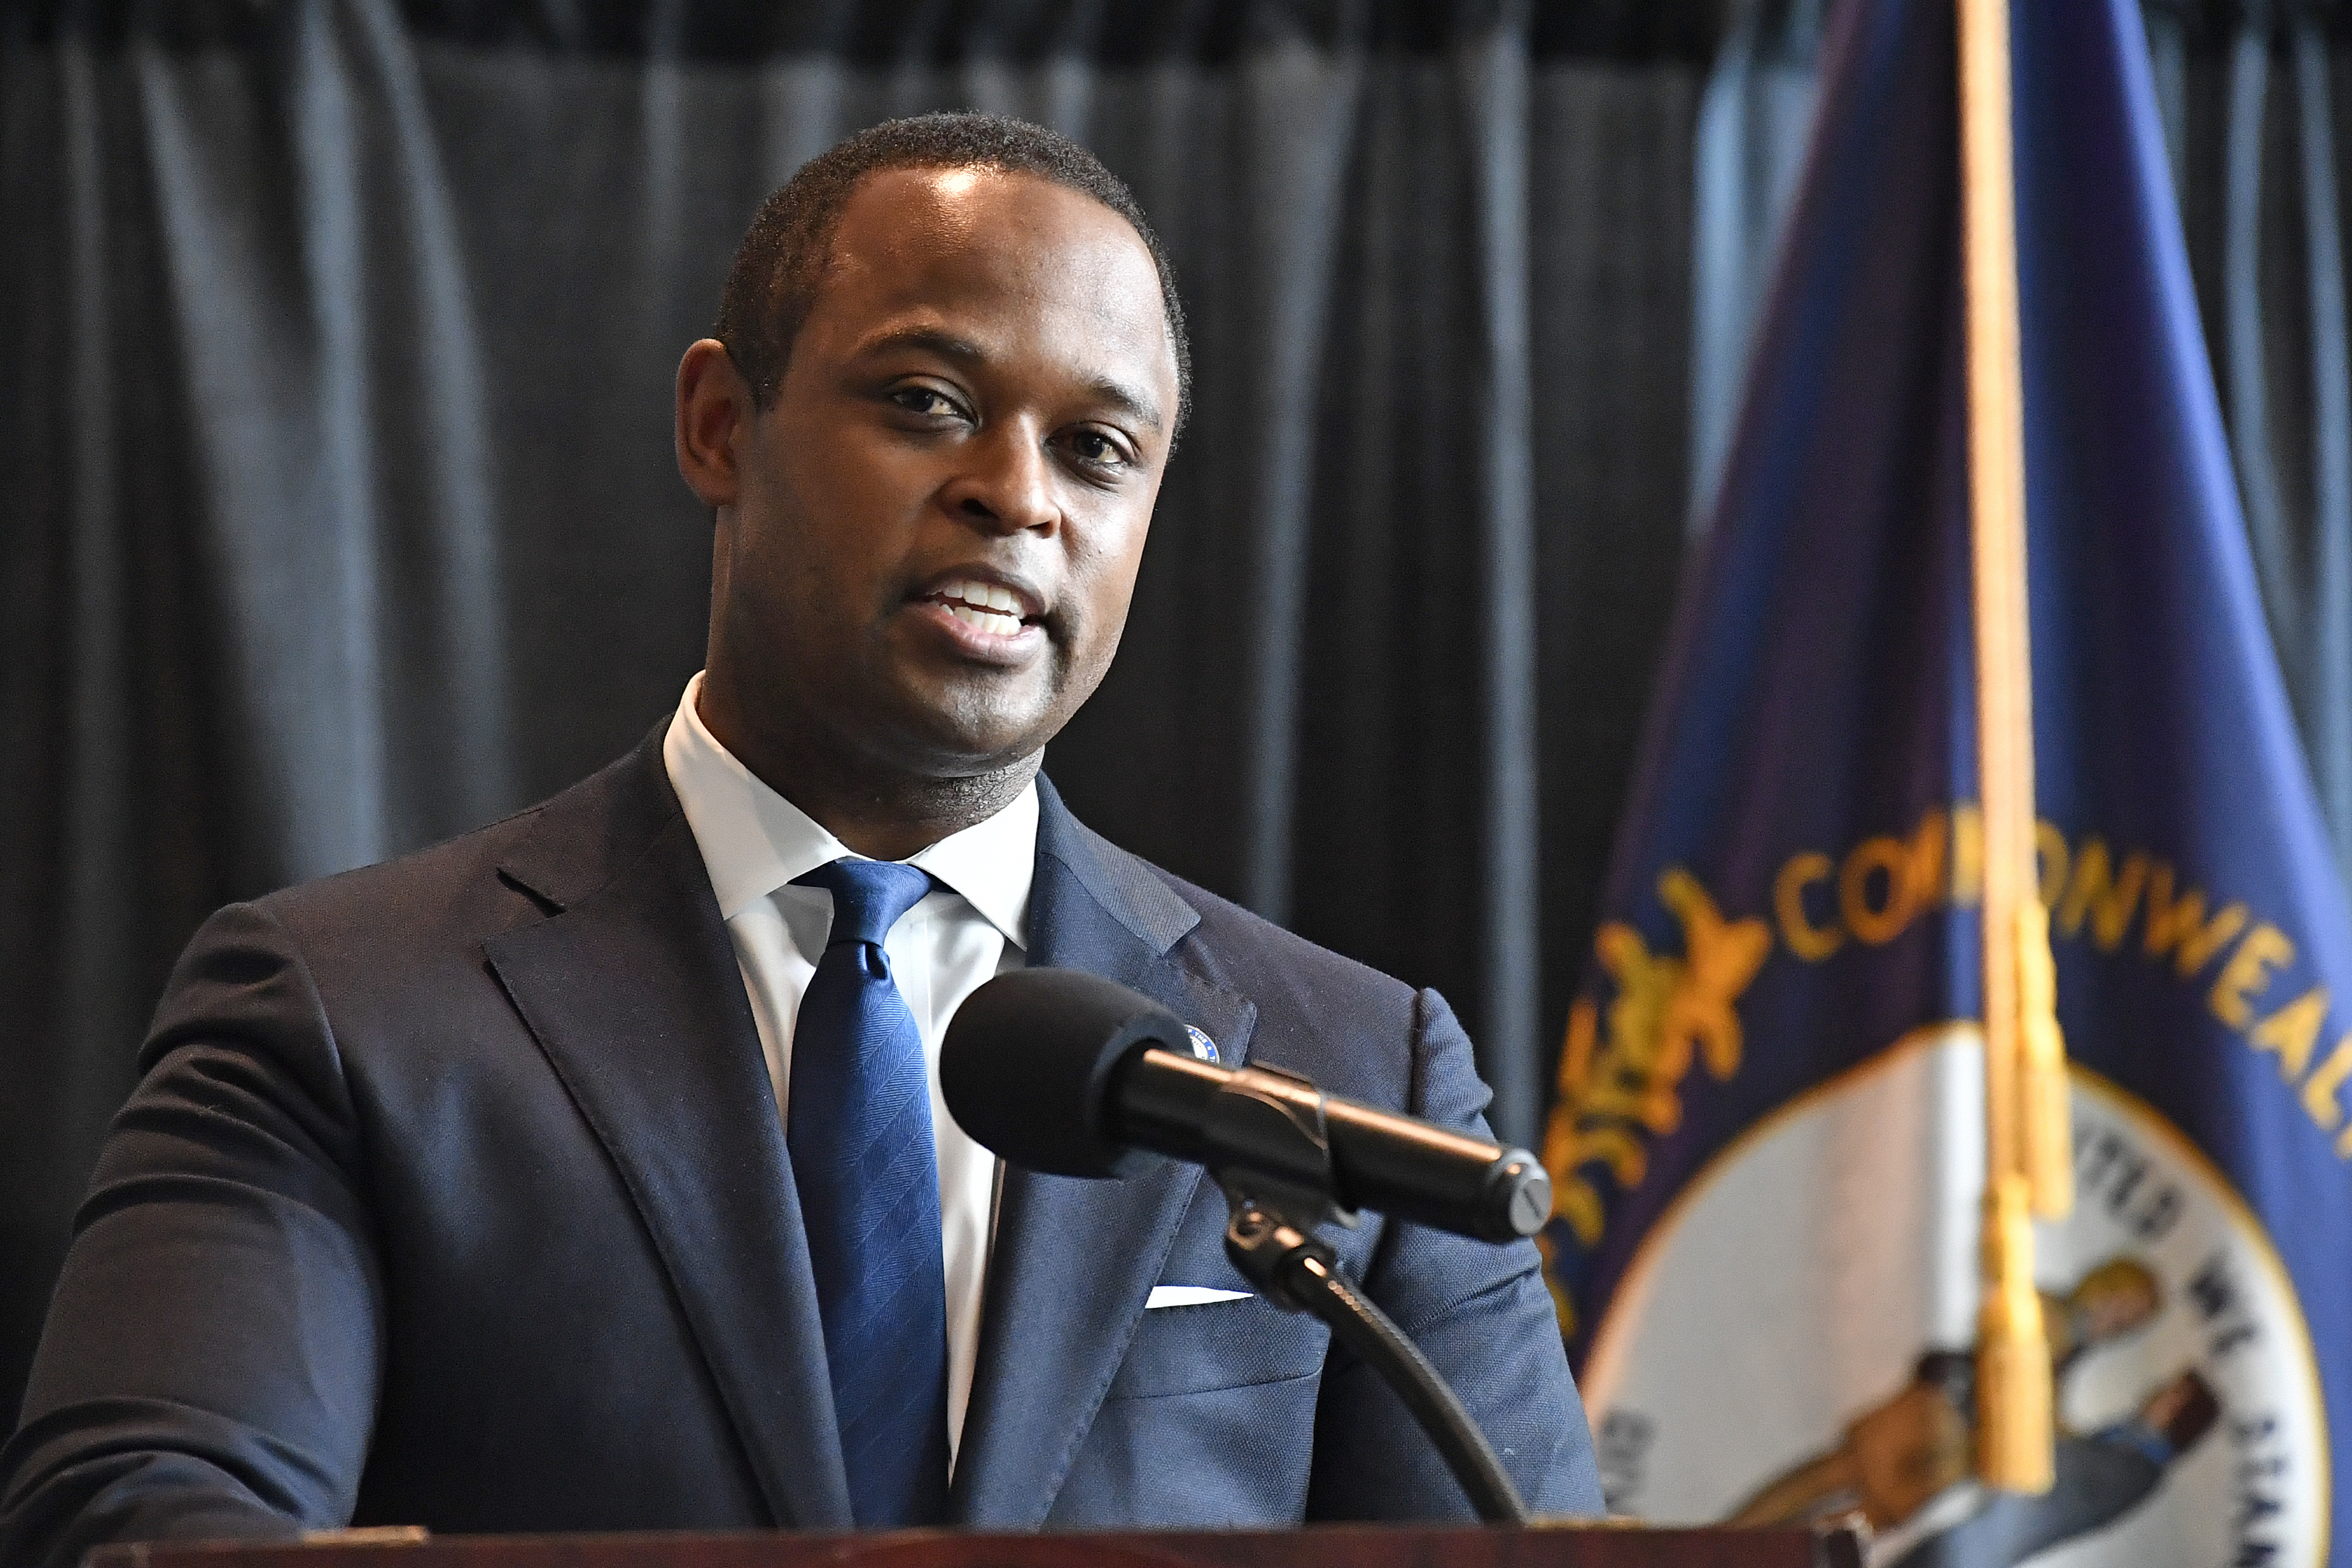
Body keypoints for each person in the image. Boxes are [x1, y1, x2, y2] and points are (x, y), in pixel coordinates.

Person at [0, 113, 1601, 1566]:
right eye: (927, 402)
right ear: (720, 424)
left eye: (1096, 451)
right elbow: (147, 1526)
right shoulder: (343, 1014)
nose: (1016, 498)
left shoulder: (1353, 1073)